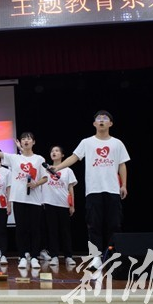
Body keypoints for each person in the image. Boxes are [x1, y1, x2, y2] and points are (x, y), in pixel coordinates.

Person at [51, 110, 129, 269]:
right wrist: (58, 167)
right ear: (94, 124)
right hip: (93, 190)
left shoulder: (117, 143)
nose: (101, 120)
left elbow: (122, 165)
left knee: (114, 225)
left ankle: (112, 257)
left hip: (113, 190)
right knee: (94, 225)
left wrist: (124, 185)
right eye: (98, 119)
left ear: (110, 123)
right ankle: (96, 257)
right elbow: (74, 157)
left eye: (105, 118)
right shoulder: (87, 142)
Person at [0, 131, 48, 269]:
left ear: (33, 142)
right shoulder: (14, 158)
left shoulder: (39, 159)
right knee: (20, 229)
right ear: (21, 142)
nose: (26, 141)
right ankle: (22, 257)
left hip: (35, 200)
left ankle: (34, 257)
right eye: (23, 139)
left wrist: (35, 184)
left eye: (29, 139)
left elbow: (45, 177)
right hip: (18, 198)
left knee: (35, 229)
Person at [43, 145, 78, 266]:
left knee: (65, 231)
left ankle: (68, 256)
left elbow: (70, 188)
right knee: (52, 231)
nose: (54, 152)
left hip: (63, 204)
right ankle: (54, 256)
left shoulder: (68, 170)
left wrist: (72, 205)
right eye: (52, 151)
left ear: (62, 155)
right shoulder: (45, 170)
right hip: (49, 203)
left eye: (57, 151)